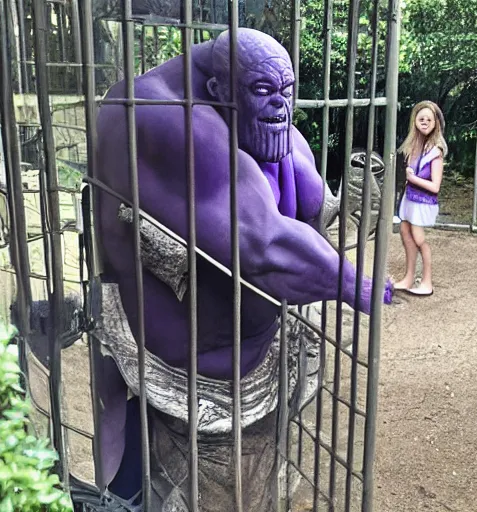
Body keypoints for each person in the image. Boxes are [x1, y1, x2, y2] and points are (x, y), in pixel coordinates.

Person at [93, 28, 393, 510]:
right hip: (187, 373)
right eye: (262, 91)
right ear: (219, 90)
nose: (279, 104)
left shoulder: (277, 131)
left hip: (263, 360)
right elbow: (261, 247)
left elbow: (302, 217)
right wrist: (355, 284)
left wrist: (334, 233)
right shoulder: (156, 113)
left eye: (286, 91)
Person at [394, 101, 448, 296]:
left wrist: (413, 178)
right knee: (404, 231)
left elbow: (435, 186)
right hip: (410, 199)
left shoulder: (436, 151)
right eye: (421, 118)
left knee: (419, 238)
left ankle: (427, 281)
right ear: (415, 121)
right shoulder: (415, 146)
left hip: (423, 202)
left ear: (435, 123)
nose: (424, 122)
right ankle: (409, 277)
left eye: (429, 119)